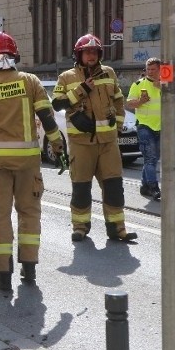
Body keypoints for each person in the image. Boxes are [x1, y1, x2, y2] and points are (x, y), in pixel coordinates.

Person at [0, 32, 64, 291]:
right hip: (29, 161)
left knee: (0, 215)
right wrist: (58, 147)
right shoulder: (30, 81)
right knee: (29, 213)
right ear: (14, 53)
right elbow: (48, 118)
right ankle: (28, 270)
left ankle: (3, 275)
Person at [52, 34, 137, 243]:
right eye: (86, 52)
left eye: (94, 52)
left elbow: (118, 101)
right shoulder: (66, 77)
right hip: (81, 144)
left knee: (114, 187)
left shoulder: (109, 73)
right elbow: (57, 104)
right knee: (81, 188)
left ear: (99, 54)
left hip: (108, 143)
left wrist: (117, 126)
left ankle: (118, 228)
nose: (90, 55)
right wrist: (82, 90)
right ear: (79, 54)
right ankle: (80, 227)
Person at [126, 57, 162, 201]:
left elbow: (173, 102)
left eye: (154, 69)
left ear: (160, 70)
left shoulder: (166, 85)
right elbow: (129, 103)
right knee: (151, 158)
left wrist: (163, 88)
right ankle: (154, 188)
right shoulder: (138, 84)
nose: (151, 72)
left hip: (160, 127)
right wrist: (140, 101)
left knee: (152, 159)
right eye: (148, 69)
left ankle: (144, 185)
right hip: (144, 126)